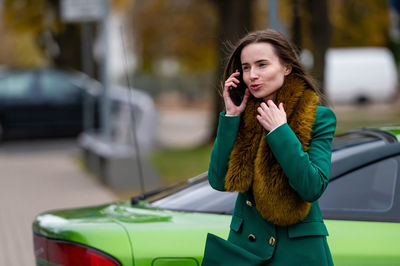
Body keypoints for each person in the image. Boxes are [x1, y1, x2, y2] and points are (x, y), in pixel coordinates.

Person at [202, 29, 336, 265]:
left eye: (262, 65)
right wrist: (231, 116)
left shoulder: (318, 118)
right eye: (246, 67)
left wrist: (279, 131)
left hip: (298, 252)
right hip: (246, 250)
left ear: (286, 66)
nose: (252, 75)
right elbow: (218, 180)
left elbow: (312, 186)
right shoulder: (240, 118)